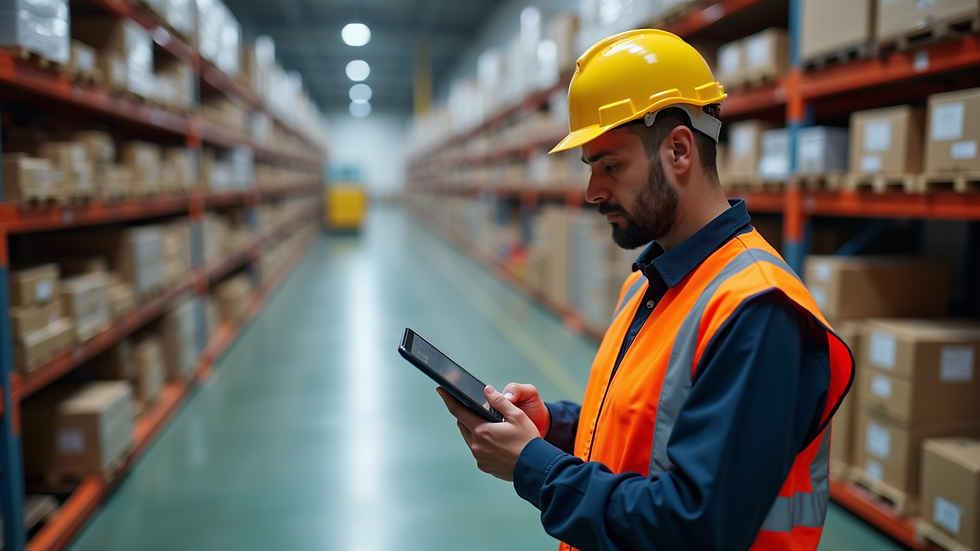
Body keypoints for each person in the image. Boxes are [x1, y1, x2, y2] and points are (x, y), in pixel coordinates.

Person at [437, 29, 855, 551]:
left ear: (678, 151)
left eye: (610, 166)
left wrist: (535, 467)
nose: (593, 191)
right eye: (591, 169)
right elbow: (643, 431)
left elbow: (694, 526)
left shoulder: (759, 311)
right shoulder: (648, 283)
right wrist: (553, 426)